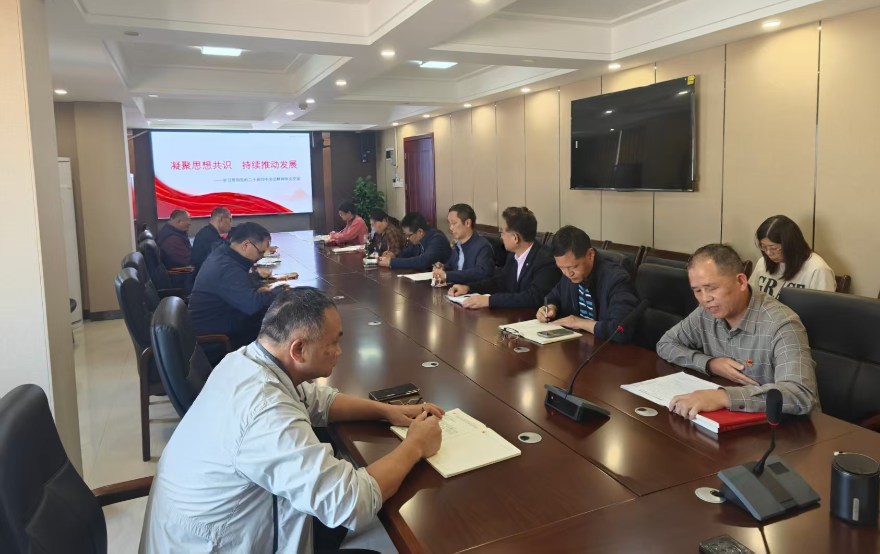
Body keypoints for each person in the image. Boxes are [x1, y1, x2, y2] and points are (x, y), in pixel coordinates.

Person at [140, 288, 444, 553]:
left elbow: (317, 400)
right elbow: (350, 501)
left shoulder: (246, 361)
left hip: (209, 529)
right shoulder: (265, 410)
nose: (339, 352)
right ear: (298, 349)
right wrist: (415, 445)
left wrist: (384, 410)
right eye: (333, 343)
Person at [657, 244, 819, 419]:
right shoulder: (706, 313)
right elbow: (666, 344)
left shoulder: (781, 324)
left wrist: (725, 397)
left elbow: (801, 394)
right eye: (697, 291)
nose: (705, 299)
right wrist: (710, 364)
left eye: (712, 288)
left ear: (741, 281)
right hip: (731, 419)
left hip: (784, 426)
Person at [189, 222, 285, 351]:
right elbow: (253, 305)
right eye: (260, 252)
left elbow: (240, 284)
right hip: (217, 337)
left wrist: (258, 287)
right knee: (281, 326)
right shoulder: (226, 267)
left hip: (226, 318)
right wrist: (279, 291)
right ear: (246, 245)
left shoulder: (224, 253)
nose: (260, 257)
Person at [536, 226, 639, 343]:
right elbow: (555, 296)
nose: (568, 273)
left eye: (573, 266)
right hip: (579, 344)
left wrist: (579, 322)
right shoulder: (570, 274)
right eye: (561, 268)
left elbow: (622, 330)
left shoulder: (616, 279)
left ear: (590, 255)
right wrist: (550, 308)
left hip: (608, 348)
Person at [448, 207, 561, 309]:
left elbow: (533, 297)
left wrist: (489, 300)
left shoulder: (545, 259)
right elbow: (499, 282)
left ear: (515, 238)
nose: (501, 237)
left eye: (502, 233)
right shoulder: (513, 255)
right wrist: (468, 288)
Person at [749, 215, 835, 299]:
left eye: (774, 248)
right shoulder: (763, 262)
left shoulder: (817, 269)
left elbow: (824, 306)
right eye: (764, 247)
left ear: (790, 244)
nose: (768, 253)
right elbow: (751, 296)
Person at [431, 204, 495, 285]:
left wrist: (448, 275)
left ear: (468, 223)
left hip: (471, 290)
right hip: (455, 288)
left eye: (454, 223)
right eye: (449, 223)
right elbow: (454, 266)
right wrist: (443, 267)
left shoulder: (483, 246)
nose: (451, 228)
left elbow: (481, 272)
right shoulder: (458, 244)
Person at [378, 212, 452, 270]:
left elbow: (423, 261)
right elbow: (406, 253)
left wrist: (391, 262)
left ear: (420, 232)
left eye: (408, 235)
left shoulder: (437, 239)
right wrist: (394, 256)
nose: (407, 238)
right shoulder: (417, 239)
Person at [192, 207, 233, 272]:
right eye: (230, 219)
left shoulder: (205, 232)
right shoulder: (210, 238)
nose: (231, 224)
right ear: (221, 219)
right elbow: (223, 258)